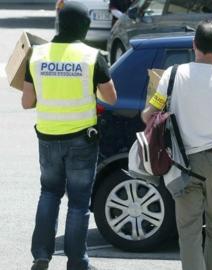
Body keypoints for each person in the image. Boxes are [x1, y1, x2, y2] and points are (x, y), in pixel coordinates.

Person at [141, 21, 212, 270]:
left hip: (182, 165)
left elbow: (148, 115)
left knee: (189, 231)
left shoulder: (172, 74)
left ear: (194, 45)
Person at [22, 2, 117, 270]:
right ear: (85, 27)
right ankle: (77, 262)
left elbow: (27, 102)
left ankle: (41, 255)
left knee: (49, 194)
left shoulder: (37, 55)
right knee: (78, 203)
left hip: (48, 137)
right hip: (81, 140)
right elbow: (111, 97)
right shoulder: (91, 56)